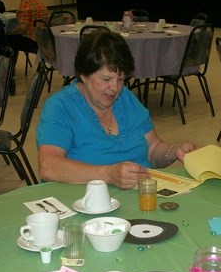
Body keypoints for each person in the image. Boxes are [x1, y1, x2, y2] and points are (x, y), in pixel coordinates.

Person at [36, 28, 197, 189]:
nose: (115, 88)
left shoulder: (125, 98)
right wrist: (108, 175)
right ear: (84, 74)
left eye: (121, 79)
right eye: (106, 79)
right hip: (88, 201)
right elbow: (48, 166)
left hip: (139, 196)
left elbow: (153, 149)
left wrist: (175, 151)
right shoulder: (60, 106)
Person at [5, 0, 48, 93]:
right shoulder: (39, 1)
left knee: (7, 40)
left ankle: (8, 73)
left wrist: (10, 32)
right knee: (13, 40)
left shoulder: (26, 3)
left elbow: (23, 27)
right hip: (43, 40)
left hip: (31, 40)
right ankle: (10, 71)